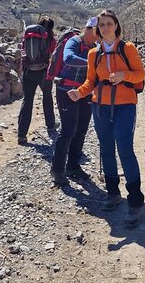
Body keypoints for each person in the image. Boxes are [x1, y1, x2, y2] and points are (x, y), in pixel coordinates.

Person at [68, 10, 145, 226]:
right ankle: (113, 193)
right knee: (106, 149)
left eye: (108, 23)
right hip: (100, 107)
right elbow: (90, 81)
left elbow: (140, 74)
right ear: (97, 29)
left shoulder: (127, 48)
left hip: (125, 106)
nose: (105, 28)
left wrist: (124, 76)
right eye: (101, 25)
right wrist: (79, 93)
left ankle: (135, 201)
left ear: (116, 26)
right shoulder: (94, 53)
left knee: (125, 149)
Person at [50, 17, 99, 186]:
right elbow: (68, 58)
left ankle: (73, 166)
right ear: (88, 29)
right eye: (95, 32)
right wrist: (92, 64)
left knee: (82, 129)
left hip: (85, 92)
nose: (97, 36)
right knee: (68, 130)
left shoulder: (95, 47)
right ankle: (57, 169)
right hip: (67, 91)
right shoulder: (74, 41)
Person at [17, 16, 56, 145]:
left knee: (27, 101)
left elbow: (23, 52)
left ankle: (22, 135)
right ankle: (50, 126)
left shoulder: (28, 36)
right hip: (44, 72)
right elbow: (53, 54)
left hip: (28, 72)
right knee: (47, 97)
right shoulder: (50, 39)